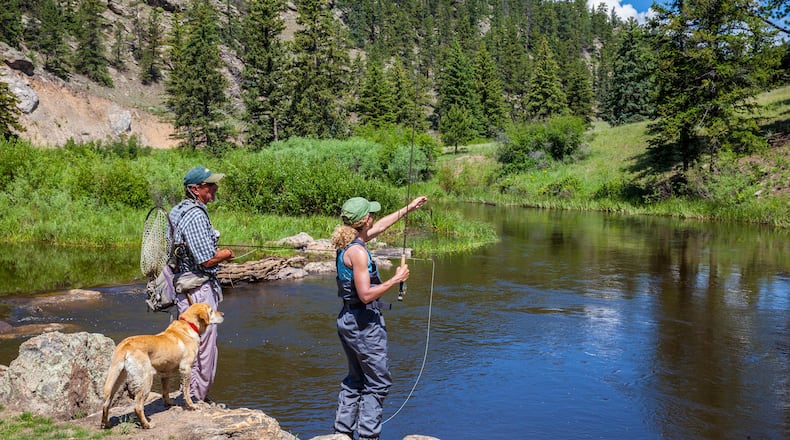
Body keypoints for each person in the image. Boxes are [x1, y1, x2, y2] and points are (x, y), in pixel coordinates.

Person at [331, 195, 428, 440]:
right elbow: (365, 295)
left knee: (356, 378)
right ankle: (367, 436)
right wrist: (396, 279)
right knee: (378, 383)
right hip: (363, 322)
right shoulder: (359, 253)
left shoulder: (349, 241)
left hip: (348, 318)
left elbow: (383, 225)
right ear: (364, 220)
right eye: (371, 215)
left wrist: (408, 208)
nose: (374, 218)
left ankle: (342, 433)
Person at [168, 165, 235, 402]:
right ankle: (196, 397)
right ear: (196, 189)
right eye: (210, 185)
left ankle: (189, 393)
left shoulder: (177, 211)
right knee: (202, 348)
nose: (215, 188)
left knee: (187, 344)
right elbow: (206, 260)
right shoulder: (196, 215)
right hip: (197, 292)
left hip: (184, 289)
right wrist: (225, 253)